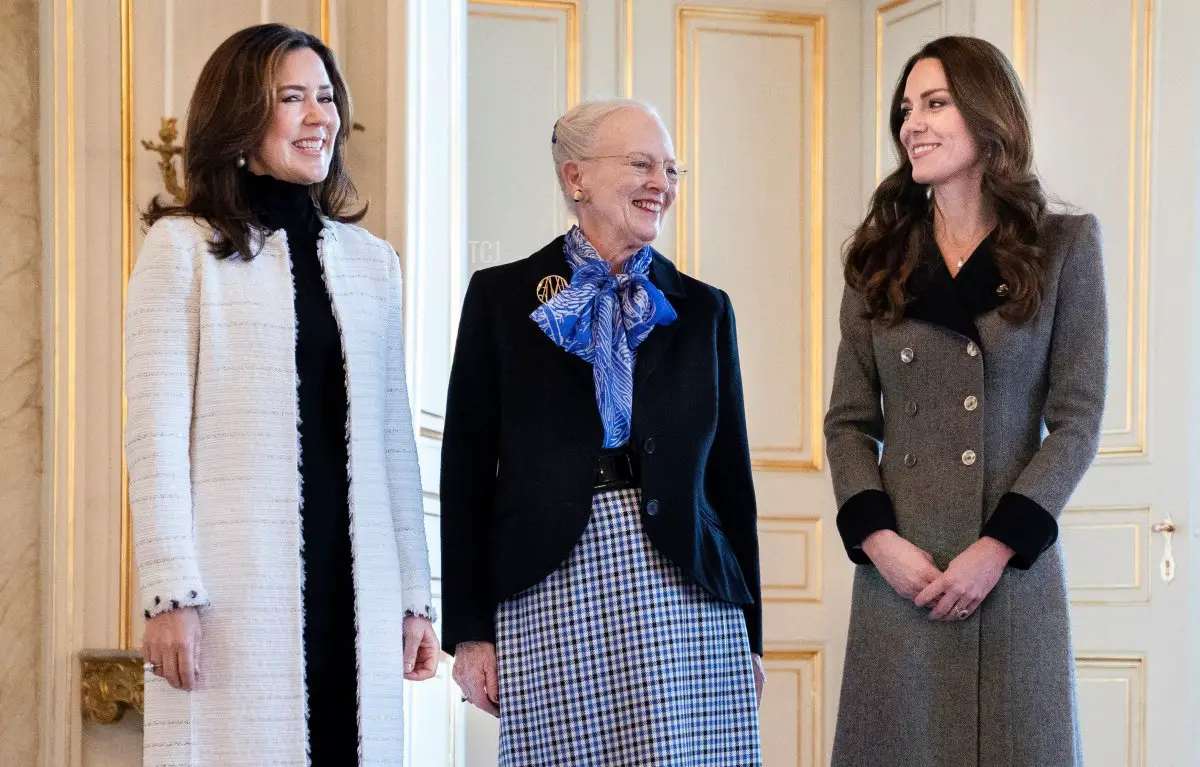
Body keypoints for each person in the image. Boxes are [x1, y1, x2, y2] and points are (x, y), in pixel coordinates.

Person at [126, 23, 438, 766]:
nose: (318, 116)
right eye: (291, 98)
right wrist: (171, 593)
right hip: (237, 592)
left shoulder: (373, 264)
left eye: (325, 97)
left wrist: (416, 597)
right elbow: (155, 435)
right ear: (239, 119)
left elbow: (395, 442)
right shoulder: (182, 249)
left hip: (357, 588)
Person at [441, 98, 764, 765]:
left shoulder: (704, 310)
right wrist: (470, 632)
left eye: (671, 169)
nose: (662, 184)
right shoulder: (499, 298)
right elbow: (465, 473)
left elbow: (731, 482)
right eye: (642, 163)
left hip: (690, 594)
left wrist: (752, 635)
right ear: (575, 177)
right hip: (552, 582)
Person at [825, 35, 1106, 766]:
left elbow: (1077, 419)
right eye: (906, 108)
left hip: (1010, 574)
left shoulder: (1063, 246)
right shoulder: (877, 260)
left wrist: (999, 546)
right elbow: (849, 422)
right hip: (903, 575)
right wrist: (879, 542)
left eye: (936, 103)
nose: (911, 123)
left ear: (989, 119)